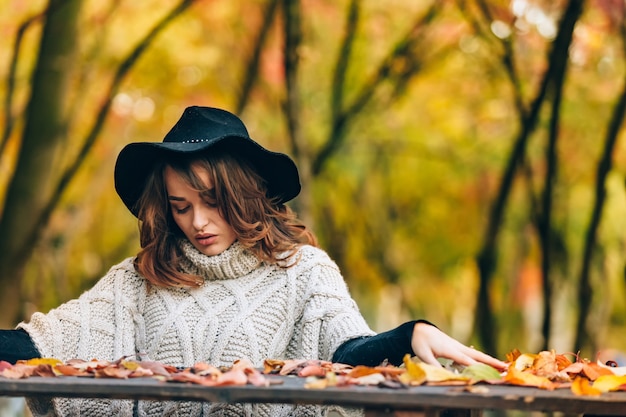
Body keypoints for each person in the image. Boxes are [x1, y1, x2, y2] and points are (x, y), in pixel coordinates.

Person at [0, 106, 506, 416]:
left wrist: (408, 335)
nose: (197, 221)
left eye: (213, 201)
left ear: (243, 195)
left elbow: (345, 351)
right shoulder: (139, 279)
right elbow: (42, 343)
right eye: (181, 207)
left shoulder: (303, 271)